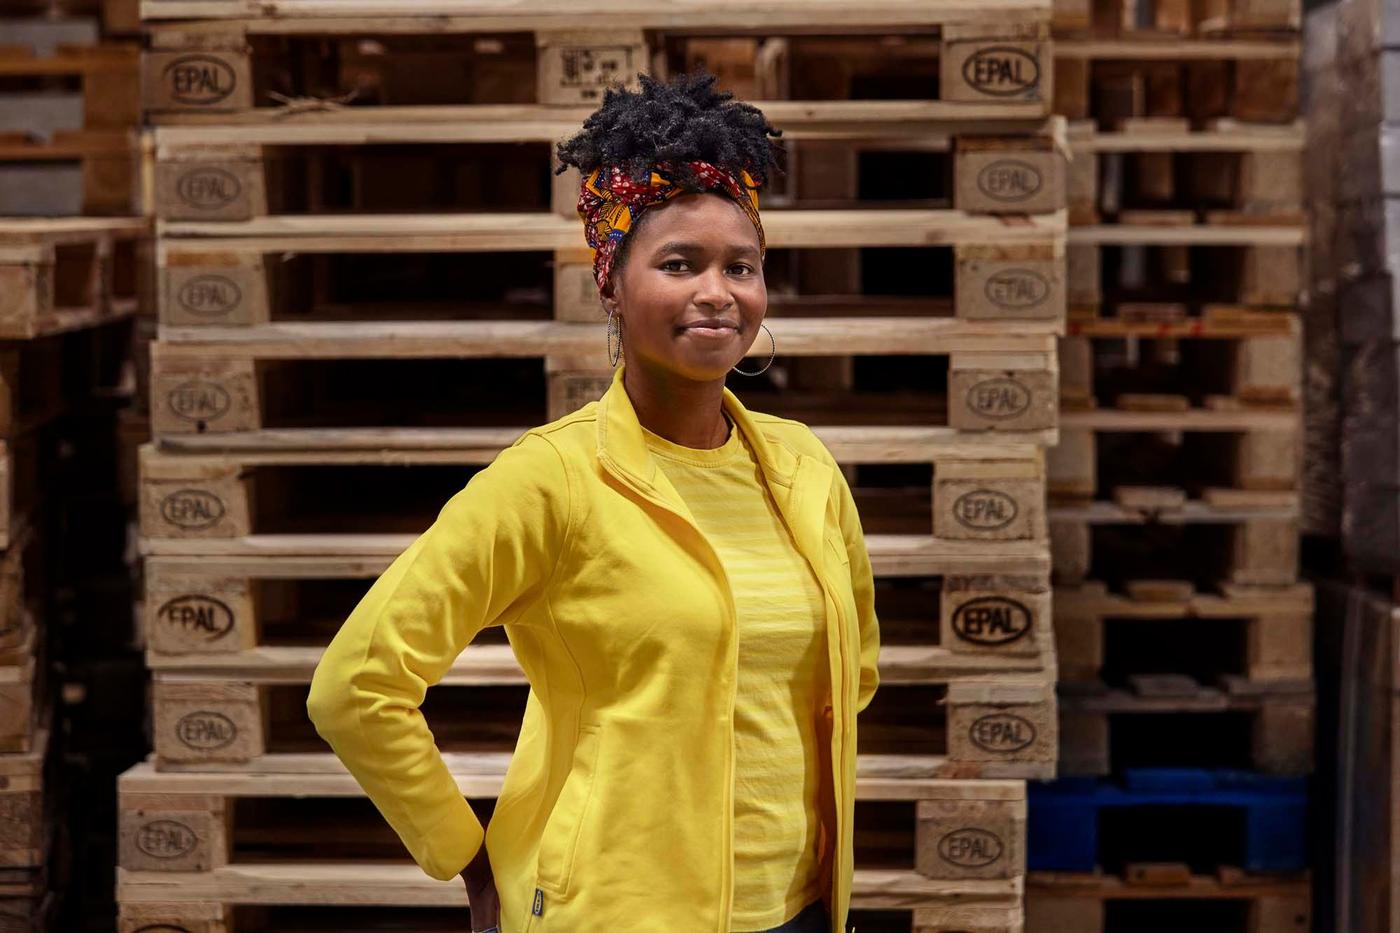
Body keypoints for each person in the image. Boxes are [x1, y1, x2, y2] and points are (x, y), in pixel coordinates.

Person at [306, 69, 880, 933]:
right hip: (615, 910)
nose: (717, 292)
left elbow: (854, 668)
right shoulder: (552, 481)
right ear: (611, 283)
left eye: (742, 266)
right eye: (679, 264)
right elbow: (355, 685)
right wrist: (468, 855)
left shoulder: (802, 467)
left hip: (798, 905)